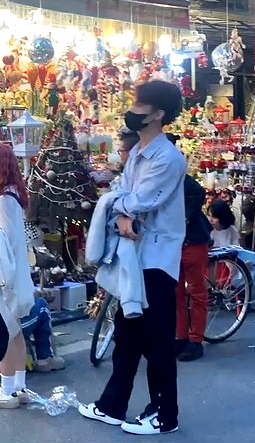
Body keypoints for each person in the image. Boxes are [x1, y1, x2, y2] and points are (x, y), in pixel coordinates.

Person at [78, 79, 186, 436]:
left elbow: (140, 200)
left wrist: (120, 208)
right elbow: (122, 192)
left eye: (140, 106)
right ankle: (112, 405)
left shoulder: (168, 157)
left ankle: (163, 413)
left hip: (155, 257)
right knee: (127, 334)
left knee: (155, 340)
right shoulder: (139, 151)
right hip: (135, 257)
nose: (133, 111)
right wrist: (121, 209)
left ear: (158, 114)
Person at [0, 144, 50, 410]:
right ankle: (18, 386)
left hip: (3, 276)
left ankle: (7, 389)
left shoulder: (3, 199)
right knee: (16, 331)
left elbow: (2, 241)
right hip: (14, 273)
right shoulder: (10, 195)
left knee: (6, 332)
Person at [175, 161, 212, 363]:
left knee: (196, 290)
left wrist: (186, 217)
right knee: (176, 291)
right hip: (172, 242)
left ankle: (195, 339)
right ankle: (180, 336)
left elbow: (198, 192)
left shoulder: (178, 176)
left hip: (191, 240)